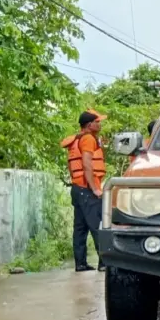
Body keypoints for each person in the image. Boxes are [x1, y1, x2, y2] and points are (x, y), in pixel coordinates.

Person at [61, 109, 107, 272]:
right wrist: (94, 188)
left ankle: (80, 263)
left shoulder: (77, 139)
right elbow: (87, 164)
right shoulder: (88, 139)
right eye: (97, 122)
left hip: (77, 188)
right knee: (97, 225)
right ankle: (104, 263)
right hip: (87, 189)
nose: (99, 124)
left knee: (80, 228)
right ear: (89, 125)